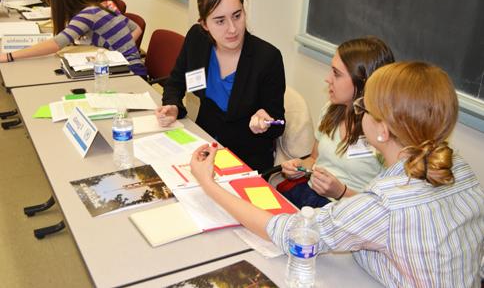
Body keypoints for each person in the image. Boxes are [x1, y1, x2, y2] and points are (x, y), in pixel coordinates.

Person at [190, 61, 484, 287]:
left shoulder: (387, 203)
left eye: (365, 108)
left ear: (382, 131)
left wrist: (209, 183)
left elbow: (288, 233)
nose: (359, 113)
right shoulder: (457, 167)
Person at [156, 0, 285, 172]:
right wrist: (173, 105)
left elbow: (278, 123)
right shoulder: (197, 39)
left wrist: (265, 122)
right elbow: (175, 81)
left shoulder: (267, 58)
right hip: (203, 145)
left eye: (237, 16)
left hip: (246, 158)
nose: (232, 28)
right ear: (204, 24)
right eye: (220, 21)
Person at [278, 37, 395, 208]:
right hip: (310, 196)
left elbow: (383, 206)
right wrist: (299, 167)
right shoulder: (331, 110)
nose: (328, 79)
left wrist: (341, 192)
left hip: (347, 212)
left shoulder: (384, 133)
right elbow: (314, 159)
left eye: (337, 74)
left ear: (364, 82)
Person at [0, 0, 146, 76]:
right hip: (123, 65)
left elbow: (55, 44)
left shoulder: (87, 14)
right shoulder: (94, 7)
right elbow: (134, 27)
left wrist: (10, 56)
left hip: (130, 71)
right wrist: (119, 47)